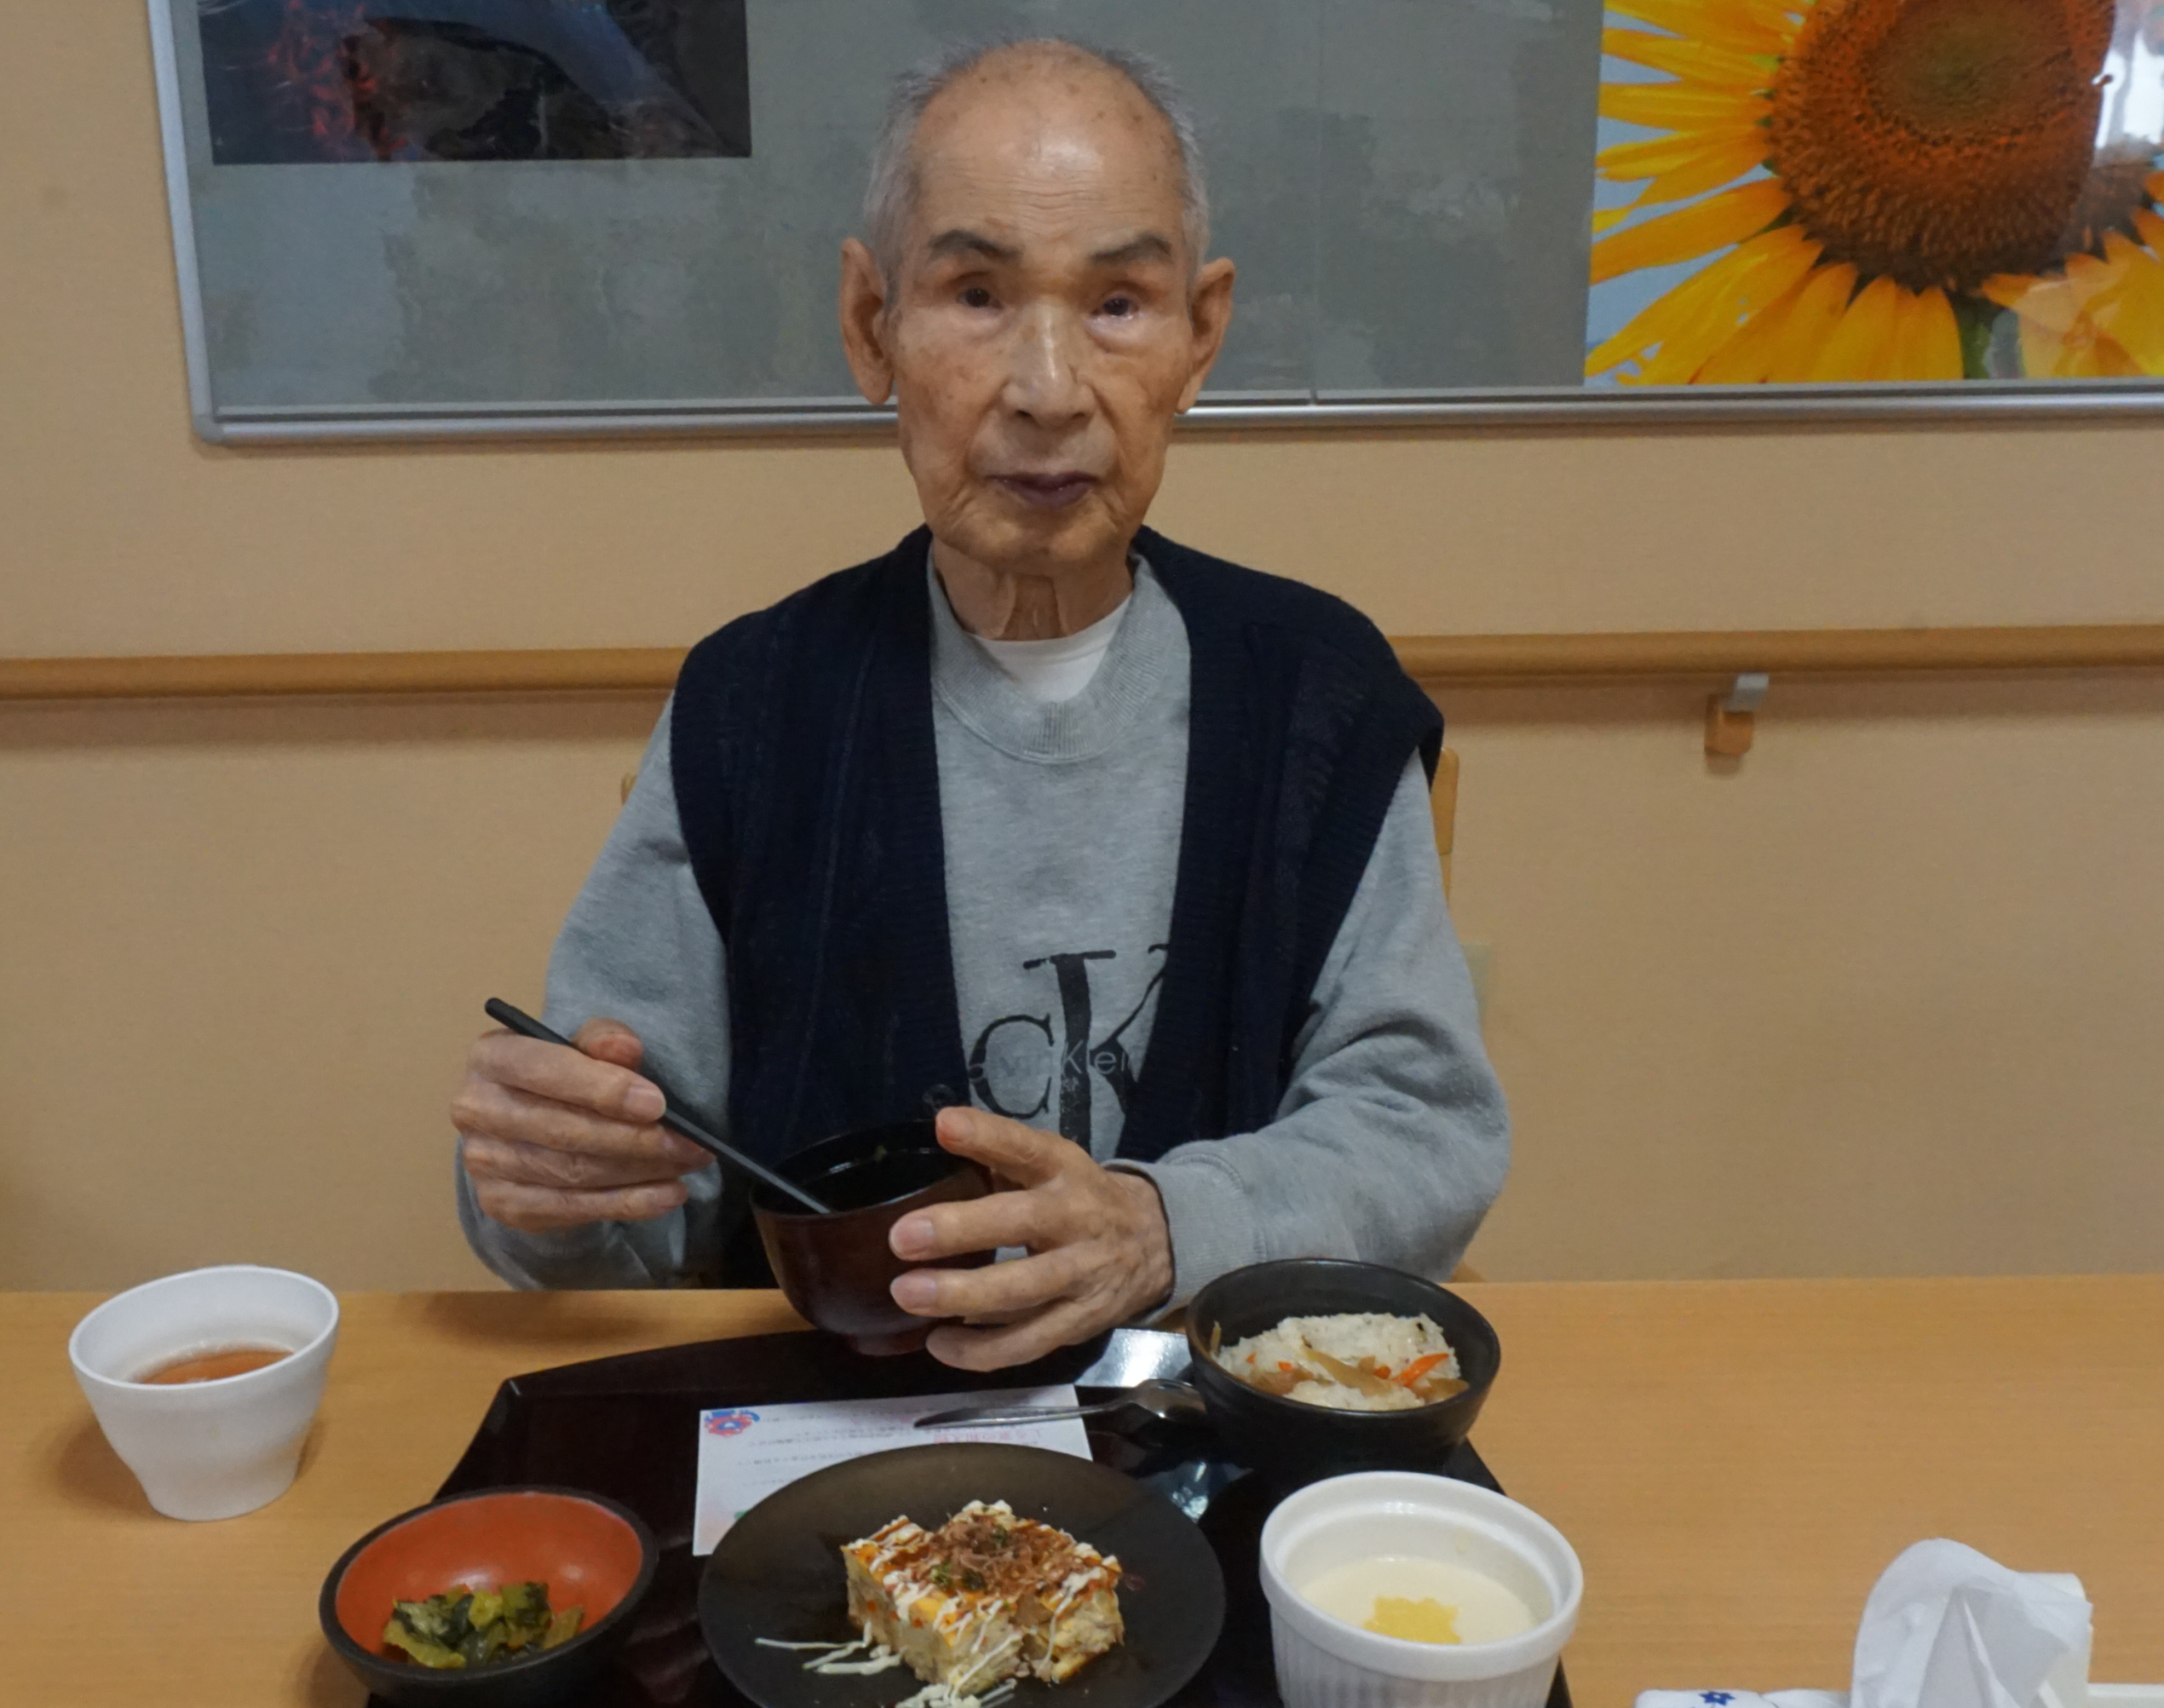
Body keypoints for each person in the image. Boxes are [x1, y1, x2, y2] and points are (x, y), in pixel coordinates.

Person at [451, 37, 1508, 1370]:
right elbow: (635, 1201)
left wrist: (1163, 1227)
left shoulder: (1319, 695)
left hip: (1204, 1424)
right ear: (868, 324)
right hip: (843, 1459)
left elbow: (1424, 1128)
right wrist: (549, 1178)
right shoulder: (753, 707)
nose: (1049, 389)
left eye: (1119, 301)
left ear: (1202, 335)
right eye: (976, 293)